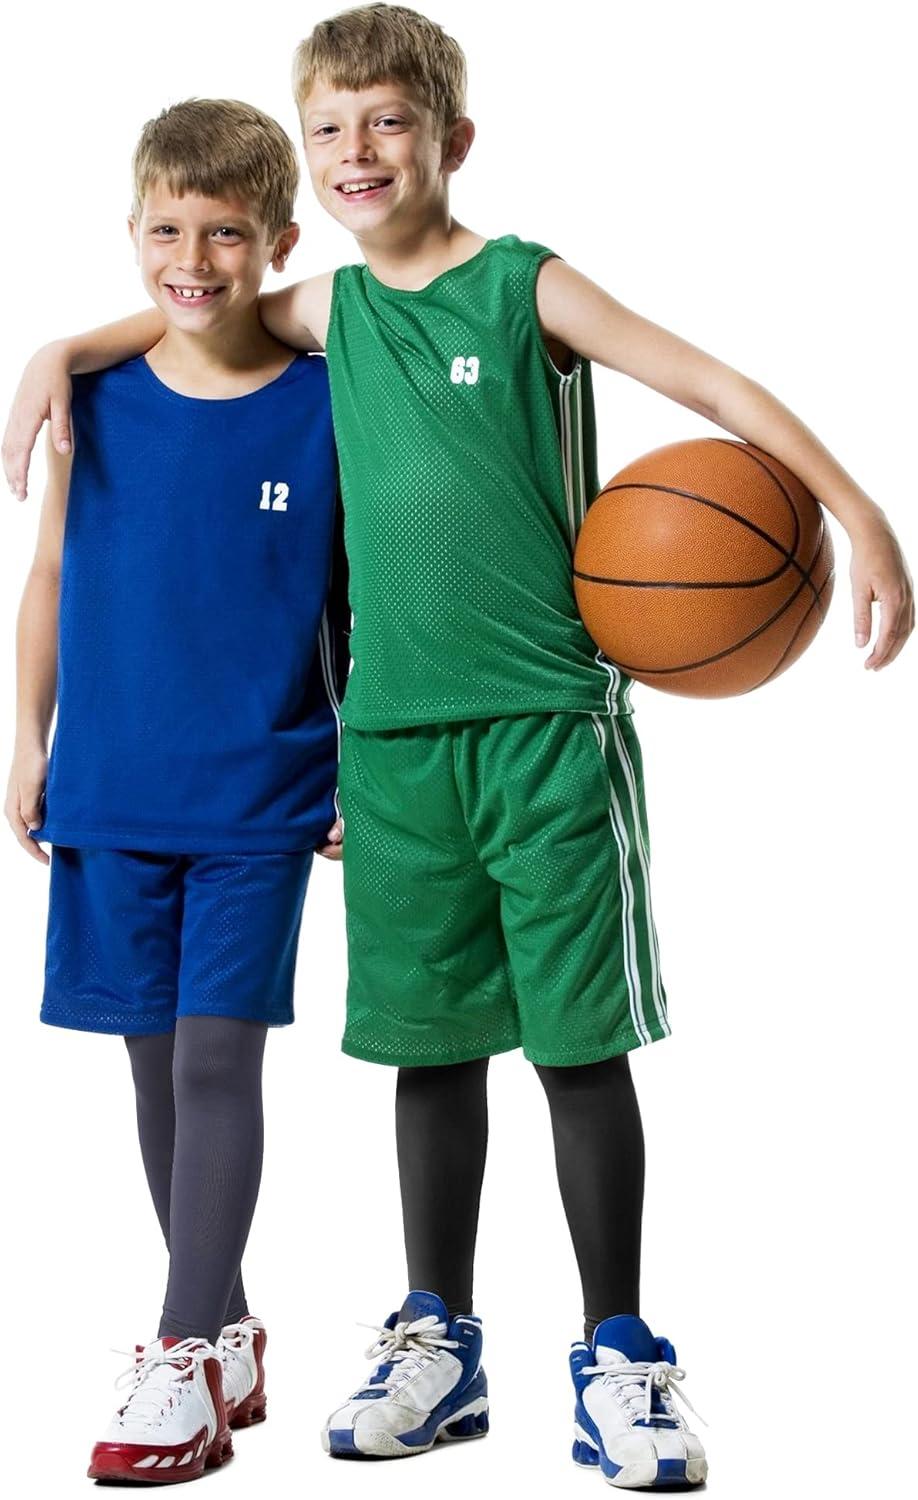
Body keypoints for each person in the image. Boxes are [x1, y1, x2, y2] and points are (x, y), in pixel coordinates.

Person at [3, 5, 913, 1489]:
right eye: (331, 128)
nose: (359, 150)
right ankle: (436, 1333)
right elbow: (198, 308)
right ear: (309, 160)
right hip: (390, 745)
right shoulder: (330, 311)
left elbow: (711, 388)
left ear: (451, 139)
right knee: (426, 1050)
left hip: (546, 726)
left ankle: (619, 1346)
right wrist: (59, 344)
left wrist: (859, 512)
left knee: (575, 1044)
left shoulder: (521, 284)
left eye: (388, 122)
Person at [4, 98, 346, 1484]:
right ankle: (231, 1329)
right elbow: (49, 575)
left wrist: (358, 760)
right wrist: (26, 740)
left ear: (280, 242)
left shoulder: (328, 404)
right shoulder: (89, 398)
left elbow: (359, 609)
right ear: (132, 233)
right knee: (154, 1064)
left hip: (265, 787)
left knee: (216, 1059)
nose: (192, 260)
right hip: (111, 784)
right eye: (165, 231)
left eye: (225, 234)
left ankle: (179, 1352)